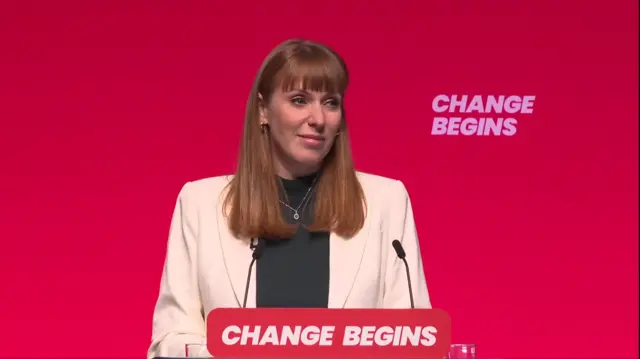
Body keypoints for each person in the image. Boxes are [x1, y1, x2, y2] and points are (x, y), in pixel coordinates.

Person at [147, 38, 432, 359]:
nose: (319, 119)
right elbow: (169, 340)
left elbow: (412, 340)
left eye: (331, 102)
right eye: (299, 100)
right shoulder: (200, 202)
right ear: (263, 110)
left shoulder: (385, 201)